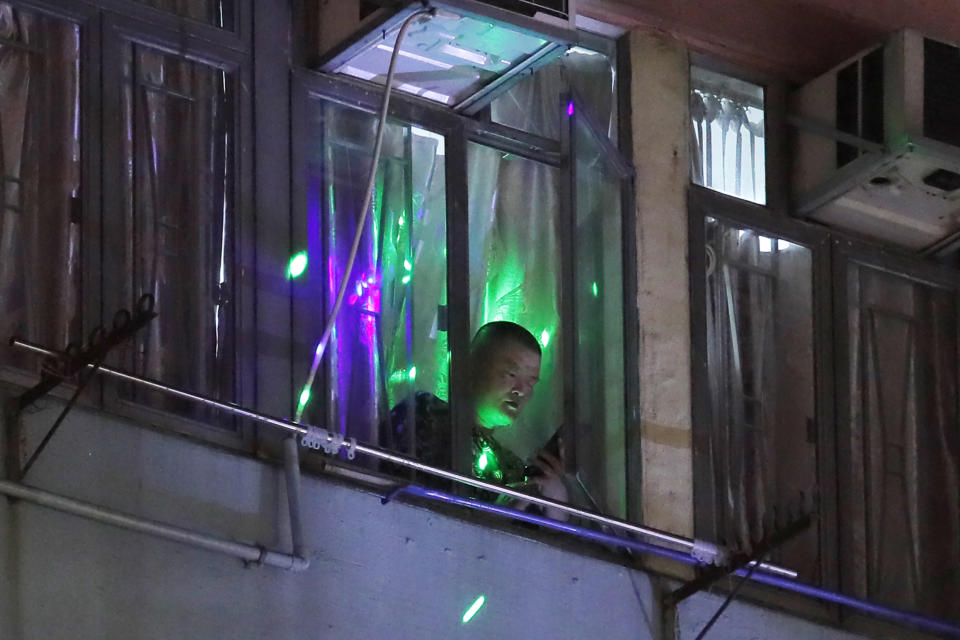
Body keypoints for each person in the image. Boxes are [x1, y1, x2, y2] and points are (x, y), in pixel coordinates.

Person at [380, 321, 568, 518]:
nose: (521, 390)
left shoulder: (513, 469)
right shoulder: (425, 412)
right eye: (511, 374)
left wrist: (554, 498)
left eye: (530, 383)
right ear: (472, 366)